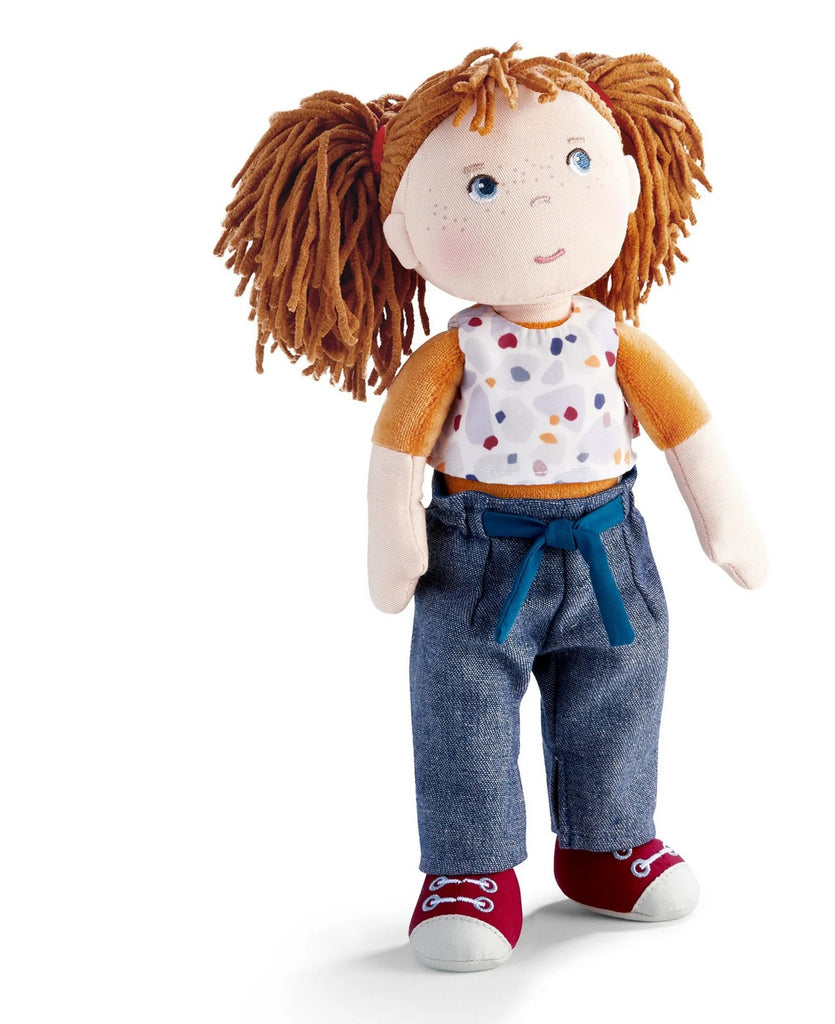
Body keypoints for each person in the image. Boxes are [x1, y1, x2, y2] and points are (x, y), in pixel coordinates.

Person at [217, 44, 766, 973]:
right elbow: (397, 453)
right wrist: (395, 546)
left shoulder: (616, 340)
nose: (542, 204)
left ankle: (608, 843)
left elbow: (688, 431)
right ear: (403, 233)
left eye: (577, 162)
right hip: (479, 560)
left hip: (611, 548)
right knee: (462, 709)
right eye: (481, 186)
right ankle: (469, 871)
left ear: (628, 178)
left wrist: (728, 523)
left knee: (621, 693)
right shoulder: (452, 353)